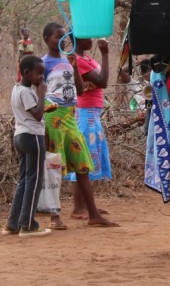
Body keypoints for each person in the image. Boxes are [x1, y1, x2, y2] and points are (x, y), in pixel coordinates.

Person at [41, 23, 119, 228]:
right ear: (46, 39)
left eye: (63, 37)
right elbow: (39, 92)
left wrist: (74, 67)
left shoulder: (68, 60)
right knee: (53, 165)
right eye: (57, 37)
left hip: (70, 117)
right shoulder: (44, 63)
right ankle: (55, 216)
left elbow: (80, 91)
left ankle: (93, 214)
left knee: (82, 164)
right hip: (53, 117)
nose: (62, 40)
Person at [4, 55, 51, 237]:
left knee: (24, 180)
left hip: (20, 136)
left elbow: (33, 111)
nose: (42, 78)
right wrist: (41, 94)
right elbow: (37, 115)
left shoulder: (17, 89)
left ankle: (13, 223)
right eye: (39, 73)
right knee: (34, 181)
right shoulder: (27, 92)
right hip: (33, 137)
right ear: (26, 73)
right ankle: (28, 224)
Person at [66, 38, 113, 219]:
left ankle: (86, 205)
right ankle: (78, 207)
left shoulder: (85, 59)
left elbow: (98, 82)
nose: (91, 40)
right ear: (78, 38)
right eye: (87, 37)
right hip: (86, 112)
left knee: (88, 157)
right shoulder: (78, 60)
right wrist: (105, 54)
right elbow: (102, 82)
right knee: (82, 160)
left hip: (92, 112)